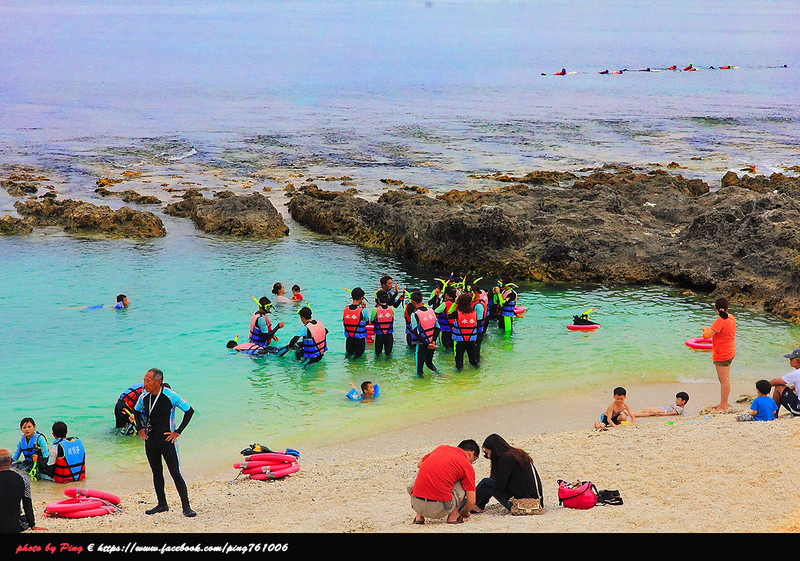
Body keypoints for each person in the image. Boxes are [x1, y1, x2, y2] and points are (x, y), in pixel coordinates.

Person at [133, 368, 196, 517]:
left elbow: (189, 411)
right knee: (156, 473)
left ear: (158, 382)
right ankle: (162, 504)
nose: (144, 384)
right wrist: (140, 428)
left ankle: (186, 507)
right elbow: (136, 411)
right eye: (144, 380)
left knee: (175, 473)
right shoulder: (144, 395)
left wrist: (178, 432)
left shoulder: (170, 396)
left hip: (167, 441)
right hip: (150, 440)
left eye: (148, 381)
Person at [409, 439, 479, 525]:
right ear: (472, 454)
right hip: (441, 509)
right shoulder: (466, 465)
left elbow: (420, 465)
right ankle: (453, 516)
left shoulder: (441, 448)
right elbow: (471, 501)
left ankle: (419, 517)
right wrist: (465, 512)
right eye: (474, 460)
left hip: (416, 505)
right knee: (462, 482)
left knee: (422, 474)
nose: (472, 463)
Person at [472, 434, 543, 513]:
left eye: (487, 453)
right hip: (536, 500)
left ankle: (465, 506)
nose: (488, 456)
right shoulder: (516, 454)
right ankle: (478, 505)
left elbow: (500, 486)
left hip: (522, 504)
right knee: (491, 479)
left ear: (494, 450)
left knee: (486, 483)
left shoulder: (506, 459)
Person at [702, 297, 736, 412]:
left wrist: (705, 329)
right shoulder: (731, 318)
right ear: (728, 308)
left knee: (724, 380)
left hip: (722, 354)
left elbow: (707, 335)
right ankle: (723, 403)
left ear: (716, 308)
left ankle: (724, 405)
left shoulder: (719, 321)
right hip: (730, 351)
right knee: (725, 379)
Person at [0, 449, 45, 533]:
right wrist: (32, 525)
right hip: (13, 527)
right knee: (22, 518)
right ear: (10, 462)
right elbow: (27, 504)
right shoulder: (23, 479)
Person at [408, 291, 440, 378]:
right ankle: (439, 375)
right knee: (429, 363)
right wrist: (433, 342)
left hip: (422, 344)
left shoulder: (414, 314)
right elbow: (437, 327)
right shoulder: (431, 310)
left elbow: (415, 332)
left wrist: (427, 344)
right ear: (422, 299)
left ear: (412, 301)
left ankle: (420, 385)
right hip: (432, 343)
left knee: (419, 369)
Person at [449, 293, 480, 369]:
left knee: (459, 361)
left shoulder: (457, 313)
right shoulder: (474, 313)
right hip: (471, 340)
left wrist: (454, 303)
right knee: (473, 360)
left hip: (460, 340)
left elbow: (449, 314)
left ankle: (459, 375)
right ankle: (476, 371)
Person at [769, 348, 800, 416]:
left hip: (798, 409)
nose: (790, 359)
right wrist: (791, 389)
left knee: (779, 387)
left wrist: (763, 387)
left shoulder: (796, 373)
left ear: (798, 359)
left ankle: (774, 414)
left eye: (792, 358)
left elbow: (775, 382)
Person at [343, 287, 370, 359]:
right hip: (359, 340)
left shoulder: (346, 309)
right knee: (358, 359)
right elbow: (367, 322)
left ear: (352, 297)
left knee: (348, 358)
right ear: (361, 298)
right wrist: (364, 308)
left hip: (349, 340)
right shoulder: (363, 311)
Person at [433, 285, 457, 352]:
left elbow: (435, 312)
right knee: (452, 347)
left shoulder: (445, 304)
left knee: (444, 348)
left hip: (444, 330)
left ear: (446, 294)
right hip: (454, 330)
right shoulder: (457, 303)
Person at [371, 290, 395, 357]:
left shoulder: (375, 309)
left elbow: (372, 320)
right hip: (389, 335)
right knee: (388, 354)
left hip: (379, 336)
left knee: (378, 355)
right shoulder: (392, 308)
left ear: (378, 300)